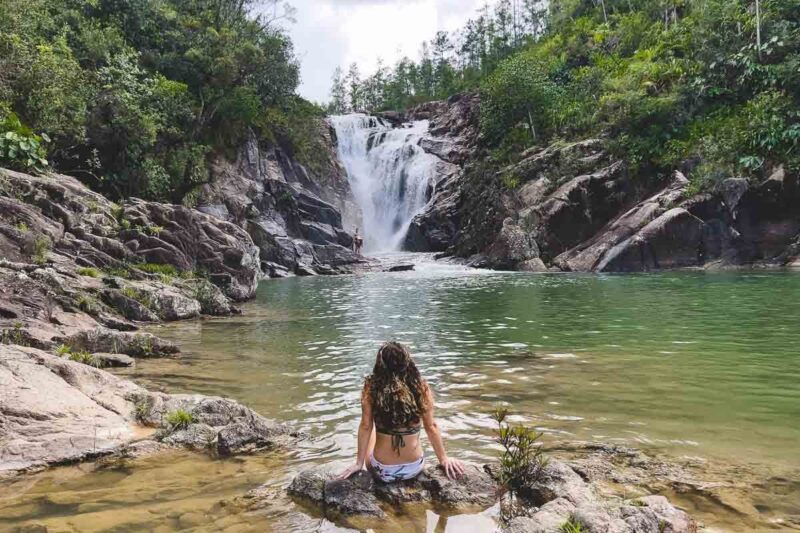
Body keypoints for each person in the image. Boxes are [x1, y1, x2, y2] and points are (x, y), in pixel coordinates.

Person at [338, 342, 466, 483]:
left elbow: (365, 427)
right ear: (407, 362)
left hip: (382, 471)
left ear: (380, 364)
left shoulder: (372, 387)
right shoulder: (420, 387)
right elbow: (431, 426)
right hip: (414, 468)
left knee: (372, 429)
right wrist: (443, 458)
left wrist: (359, 463)